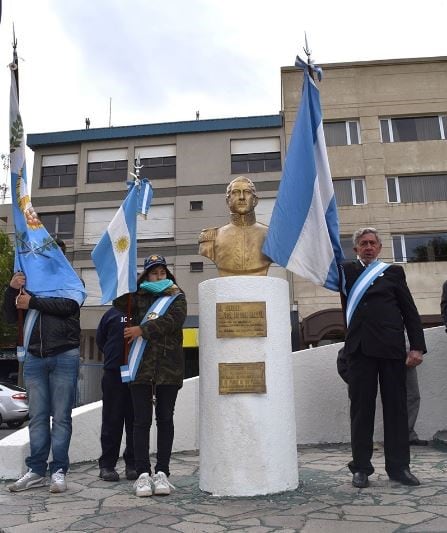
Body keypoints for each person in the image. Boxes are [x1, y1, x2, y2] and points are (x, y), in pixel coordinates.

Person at [340, 227, 426, 489]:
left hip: (391, 350)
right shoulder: (346, 272)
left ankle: (399, 468)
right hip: (360, 350)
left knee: (396, 411)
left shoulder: (392, 273)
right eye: (363, 243)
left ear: (378, 248)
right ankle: (361, 469)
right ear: (355, 249)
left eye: (372, 243)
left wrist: (417, 347)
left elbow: (410, 312)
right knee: (361, 411)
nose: (368, 247)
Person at [3, 266, 81, 493]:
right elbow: (10, 316)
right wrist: (11, 290)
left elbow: (69, 307)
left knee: (61, 417)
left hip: (65, 353)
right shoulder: (26, 283)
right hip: (34, 356)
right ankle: (36, 471)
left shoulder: (70, 280)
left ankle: (58, 471)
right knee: (36, 417)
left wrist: (33, 302)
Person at [114, 255, 187, 497]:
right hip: (141, 368)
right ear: (145, 276)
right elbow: (117, 302)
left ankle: (163, 472)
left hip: (168, 368)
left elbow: (172, 323)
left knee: (165, 419)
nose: (158, 277)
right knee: (140, 421)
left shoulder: (177, 296)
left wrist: (142, 330)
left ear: (168, 274)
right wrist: (129, 282)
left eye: (162, 273)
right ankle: (143, 473)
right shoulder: (137, 298)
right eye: (153, 273)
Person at [337, 347, 428, 446]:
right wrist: (353, 379)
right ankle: (361, 445)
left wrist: (417, 347)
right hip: (368, 349)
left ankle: (405, 435)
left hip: (402, 349)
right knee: (362, 400)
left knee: (411, 396)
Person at [199, 176, 271, 276]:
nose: (242, 197)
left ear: (255, 200)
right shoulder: (211, 237)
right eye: (236, 192)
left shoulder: (271, 235)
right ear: (228, 201)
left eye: (247, 192)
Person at [96, 308, 137, 482]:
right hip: (114, 373)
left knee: (136, 422)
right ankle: (107, 465)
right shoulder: (111, 314)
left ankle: (133, 464)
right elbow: (101, 340)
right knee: (112, 421)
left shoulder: (144, 309)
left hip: (138, 375)